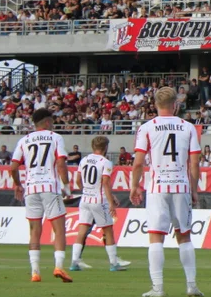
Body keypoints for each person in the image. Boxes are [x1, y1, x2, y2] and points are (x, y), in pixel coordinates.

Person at [130, 87, 203, 297]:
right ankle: (191, 285)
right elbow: (195, 162)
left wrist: (135, 186)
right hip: (180, 185)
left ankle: (158, 287)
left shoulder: (146, 128)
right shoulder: (188, 127)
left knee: (155, 236)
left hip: (157, 186)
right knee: (184, 236)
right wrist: (194, 189)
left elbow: (138, 163)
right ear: (176, 105)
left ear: (155, 105)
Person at [9, 108, 73, 283]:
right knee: (59, 229)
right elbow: (60, 163)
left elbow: (13, 167)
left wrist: (17, 185)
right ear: (47, 122)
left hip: (31, 188)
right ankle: (59, 266)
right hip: (50, 187)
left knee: (34, 231)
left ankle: (35, 272)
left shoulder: (24, 140)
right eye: (51, 121)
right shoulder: (55, 137)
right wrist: (66, 186)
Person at [71, 135, 129, 272]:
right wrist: (111, 202)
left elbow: (78, 180)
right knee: (108, 231)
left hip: (85, 199)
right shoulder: (105, 162)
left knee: (82, 231)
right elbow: (106, 183)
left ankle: (74, 262)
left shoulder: (84, 160)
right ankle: (114, 263)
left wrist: (87, 190)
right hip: (98, 200)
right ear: (105, 148)